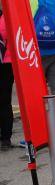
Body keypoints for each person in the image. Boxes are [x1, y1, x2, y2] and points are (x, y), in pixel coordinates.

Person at [0, 11, 14, 150]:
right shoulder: (8, 18)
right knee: (5, 100)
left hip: (5, 63)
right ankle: (5, 138)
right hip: (8, 63)